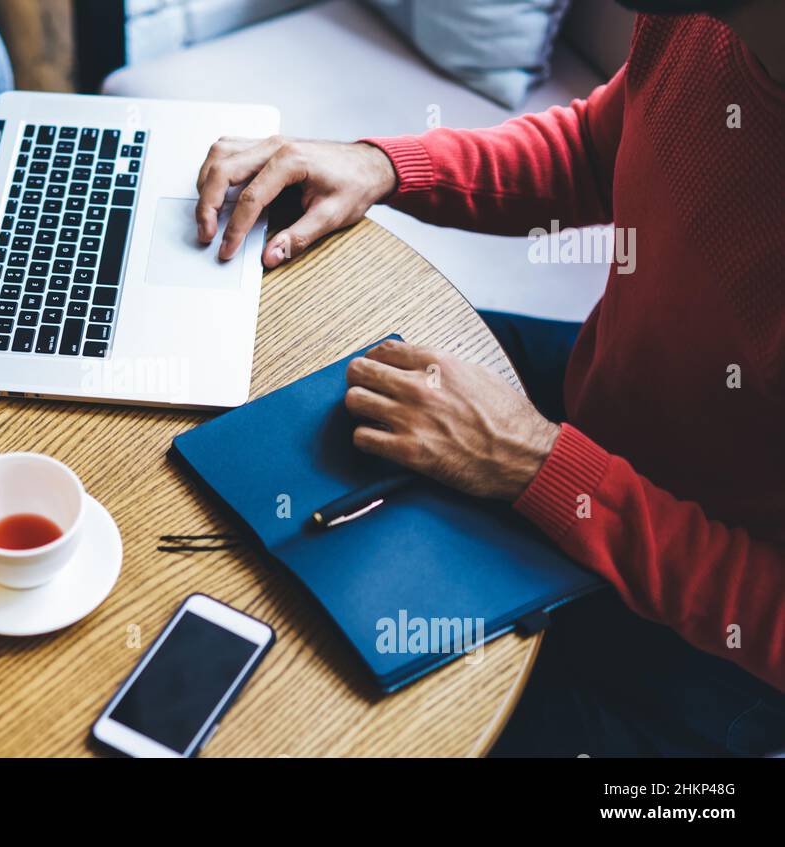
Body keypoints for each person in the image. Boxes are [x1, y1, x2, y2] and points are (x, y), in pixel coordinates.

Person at [196, 0, 785, 755]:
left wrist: (537, 463)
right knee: (273, 391)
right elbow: (601, 148)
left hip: (696, 650)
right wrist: (385, 166)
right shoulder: (694, 19)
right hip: (591, 403)